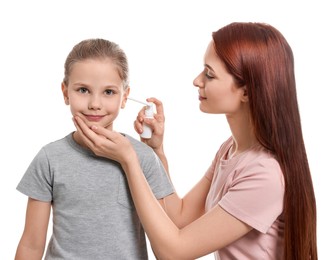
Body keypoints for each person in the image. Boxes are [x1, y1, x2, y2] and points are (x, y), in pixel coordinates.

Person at [73, 22, 317, 260]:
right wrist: (155, 150)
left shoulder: (264, 174)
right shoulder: (230, 150)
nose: (197, 80)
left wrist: (129, 160)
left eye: (209, 75)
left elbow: (173, 253)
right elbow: (177, 216)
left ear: (246, 91)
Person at [15, 38, 174, 260]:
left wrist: (155, 153)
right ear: (65, 92)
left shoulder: (142, 157)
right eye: (83, 90)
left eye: (108, 92)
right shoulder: (49, 159)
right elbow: (31, 245)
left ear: (125, 97)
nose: (95, 104)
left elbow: (169, 234)